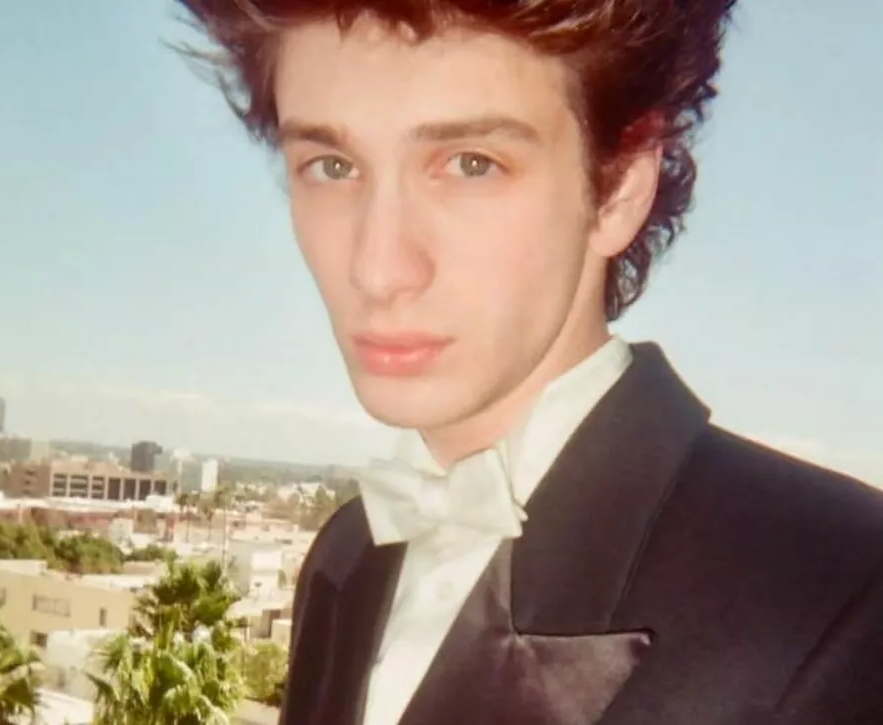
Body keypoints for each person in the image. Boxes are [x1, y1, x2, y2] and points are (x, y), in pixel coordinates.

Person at [178, 1, 883, 723]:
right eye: (332, 166)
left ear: (618, 187)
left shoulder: (846, 590)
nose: (378, 268)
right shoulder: (347, 553)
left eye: (471, 164)